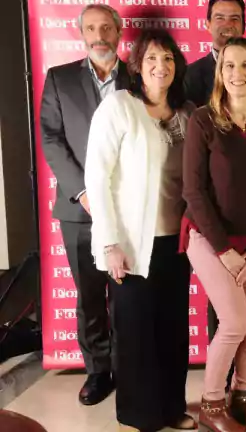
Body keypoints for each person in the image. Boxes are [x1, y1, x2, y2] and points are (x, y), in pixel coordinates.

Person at [83, 29, 196, 432]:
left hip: (177, 244)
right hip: (131, 245)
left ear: (176, 65)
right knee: (134, 335)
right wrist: (109, 243)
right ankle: (138, 415)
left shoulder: (186, 112)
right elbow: (97, 178)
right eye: (151, 59)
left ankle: (172, 407)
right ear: (137, 67)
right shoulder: (119, 107)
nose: (160, 67)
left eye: (167, 59)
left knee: (172, 329)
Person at [182, 37, 246, 432]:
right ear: (219, 73)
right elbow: (193, 192)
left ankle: (241, 393)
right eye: (229, 66)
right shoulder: (203, 121)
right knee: (235, 322)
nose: (237, 73)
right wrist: (224, 250)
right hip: (209, 239)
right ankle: (211, 404)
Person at [40, 4, 128, 406]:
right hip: (79, 211)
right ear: (81, 34)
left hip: (129, 210)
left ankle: (128, 369)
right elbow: (52, 139)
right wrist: (84, 192)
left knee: (126, 294)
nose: (99, 35)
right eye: (91, 28)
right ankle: (98, 371)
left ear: (119, 32)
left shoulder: (141, 77)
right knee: (90, 296)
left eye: (106, 27)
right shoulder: (58, 79)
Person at [185, 0, 245, 107]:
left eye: (235, 18)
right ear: (208, 25)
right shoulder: (189, 76)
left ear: (243, 26)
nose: (228, 24)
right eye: (220, 18)